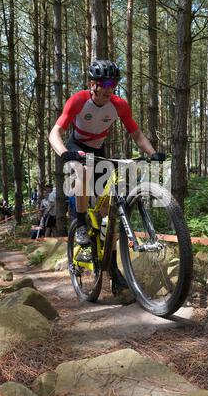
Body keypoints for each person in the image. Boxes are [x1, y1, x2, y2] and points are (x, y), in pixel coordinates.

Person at [49, 59, 165, 293]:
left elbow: (137, 133)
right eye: (105, 83)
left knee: (109, 214)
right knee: (81, 171)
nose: (109, 88)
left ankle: (111, 268)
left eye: (113, 83)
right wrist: (65, 154)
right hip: (77, 146)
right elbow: (55, 133)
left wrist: (152, 153)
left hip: (99, 150)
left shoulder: (119, 105)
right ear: (93, 84)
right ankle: (81, 223)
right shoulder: (79, 100)